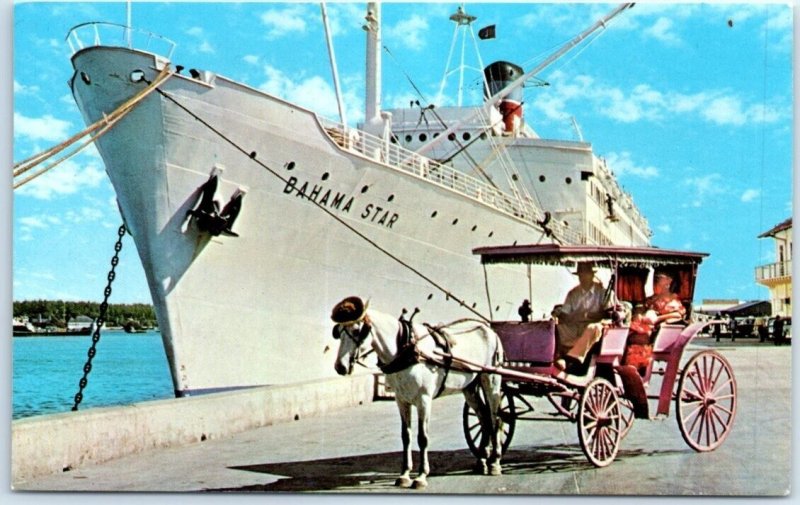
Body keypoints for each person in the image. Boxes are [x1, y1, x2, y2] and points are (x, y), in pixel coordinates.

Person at [553, 262, 613, 372]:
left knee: (592, 328)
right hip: (576, 326)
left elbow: (609, 313)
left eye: (585, 274)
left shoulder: (603, 293)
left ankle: (571, 360)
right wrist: (559, 313)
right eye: (581, 275)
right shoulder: (573, 293)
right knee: (556, 328)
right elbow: (566, 313)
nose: (583, 277)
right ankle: (555, 357)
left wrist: (592, 315)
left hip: (597, 327)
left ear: (592, 275)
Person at [623, 272, 686, 375]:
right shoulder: (654, 297)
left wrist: (658, 318)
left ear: (669, 281)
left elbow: (678, 315)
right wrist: (639, 313)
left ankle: (638, 369)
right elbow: (642, 306)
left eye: (661, 276)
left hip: (656, 328)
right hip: (644, 324)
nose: (657, 277)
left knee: (640, 337)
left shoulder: (673, 299)